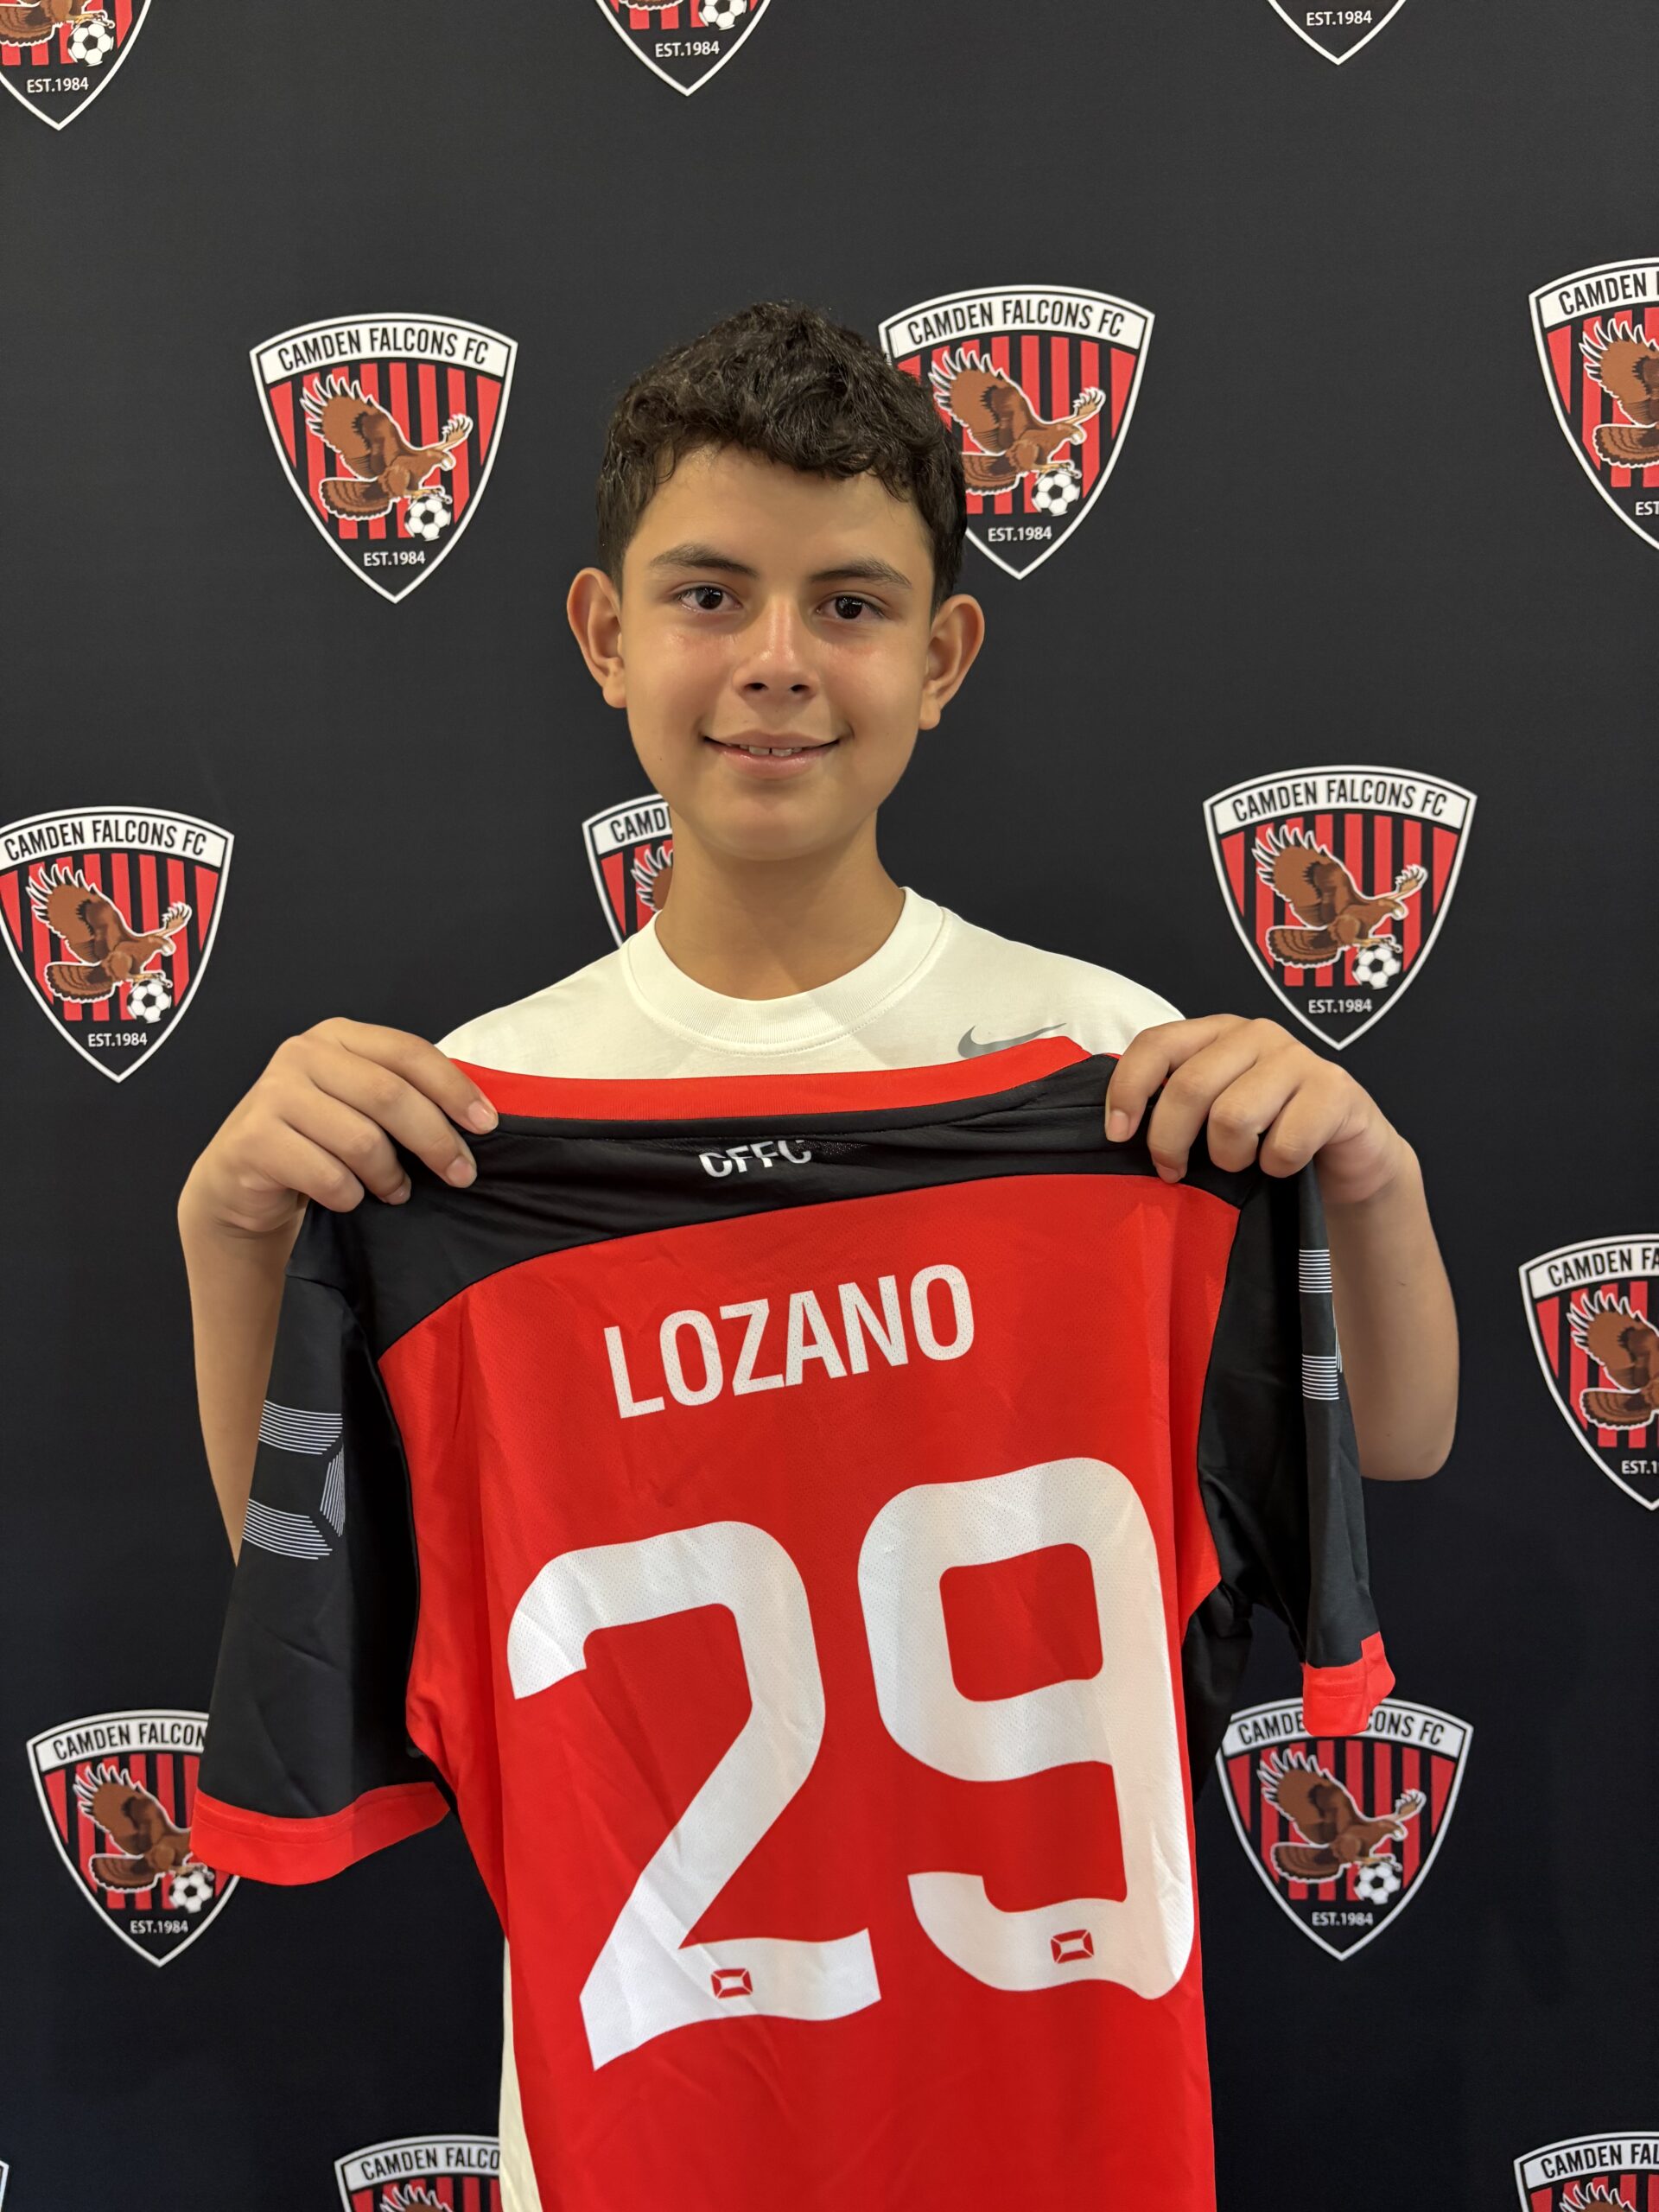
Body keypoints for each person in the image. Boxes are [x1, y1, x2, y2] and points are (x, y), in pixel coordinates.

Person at [177, 298, 1458, 2211]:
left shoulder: (1116, 1078)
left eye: (849, 604)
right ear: (606, 635)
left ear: (942, 658)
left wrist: (1368, 1177)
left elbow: (1400, 1438)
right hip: (637, 2141)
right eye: (710, 594)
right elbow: (328, 1557)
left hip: (1046, 2131)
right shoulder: (466, 1125)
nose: (776, 661)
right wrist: (232, 1240)